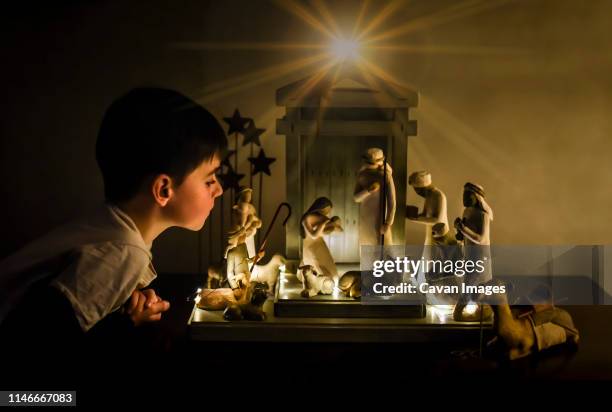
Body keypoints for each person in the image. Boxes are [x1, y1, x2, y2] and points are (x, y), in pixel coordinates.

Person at [0, 88, 227, 378]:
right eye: (210, 179)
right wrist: (126, 326)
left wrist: (123, 313)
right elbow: (40, 351)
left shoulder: (108, 226)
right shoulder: (122, 252)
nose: (219, 189)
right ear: (164, 190)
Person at [453, 182, 494, 321]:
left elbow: (480, 238)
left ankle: (463, 312)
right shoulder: (467, 212)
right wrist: (459, 232)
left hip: (480, 257)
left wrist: (462, 228)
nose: (464, 198)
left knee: (474, 286)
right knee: (469, 285)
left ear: (477, 197)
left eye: (467, 195)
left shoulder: (483, 215)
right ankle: (477, 311)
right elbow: (464, 235)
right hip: (470, 256)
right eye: (463, 195)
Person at [353, 148, 396, 247]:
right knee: (366, 246)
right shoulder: (362, 175)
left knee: (381, 248)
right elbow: (356, 198)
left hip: (380, 218)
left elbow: (392, 201)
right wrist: (367, 191)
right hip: (365, 218)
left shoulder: (386, 176)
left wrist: (388, 222)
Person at [299, 197, 343, 285]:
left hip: (320, 246)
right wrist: (323, 224)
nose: (328, 212)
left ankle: (328, 284)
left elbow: (323, 232)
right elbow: (314, 235)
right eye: (327, 210)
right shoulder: (307, 218)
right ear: (321, 207)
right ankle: (319, 285)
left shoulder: (322, 218)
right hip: (311, 248)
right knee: (316, 268)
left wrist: (334, 226)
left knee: (330, 269)